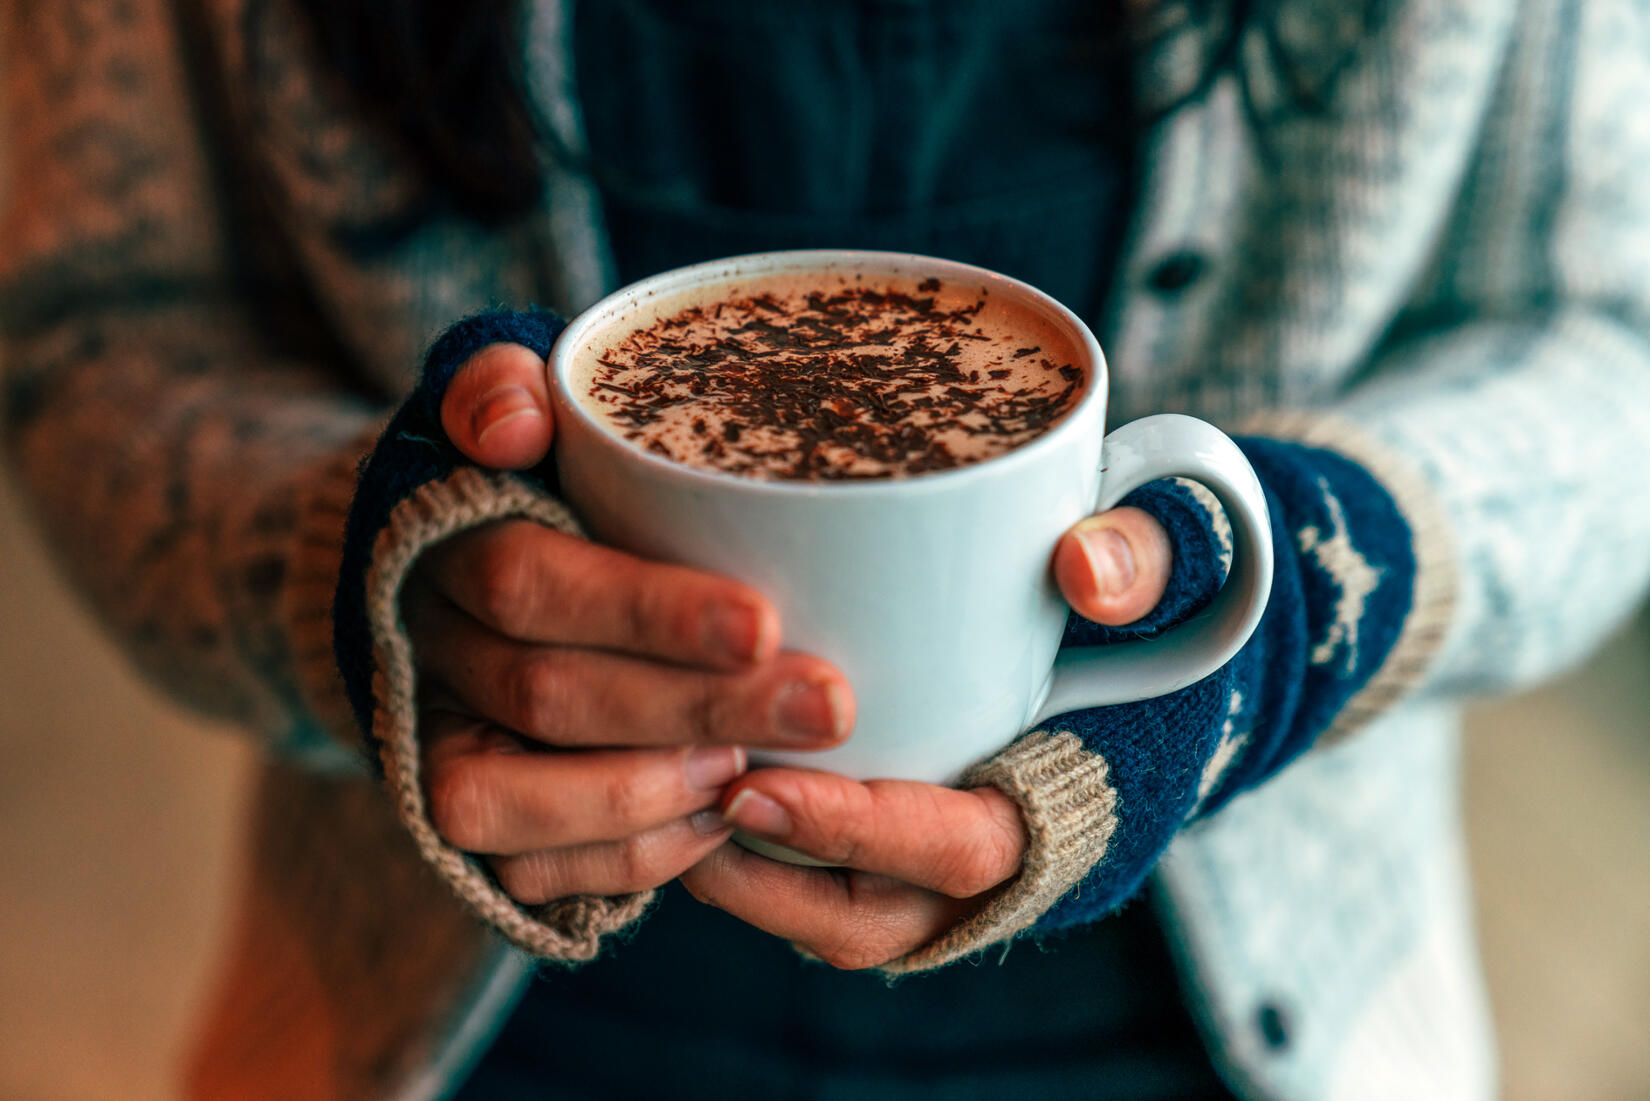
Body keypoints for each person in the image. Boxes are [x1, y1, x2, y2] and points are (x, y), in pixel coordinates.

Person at [4, 0, 1648, 1098]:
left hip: (1218, 1029)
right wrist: (370, 573)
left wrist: (1282, 609)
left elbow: (1607, 343)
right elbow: (92, 334)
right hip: (471, 1028)